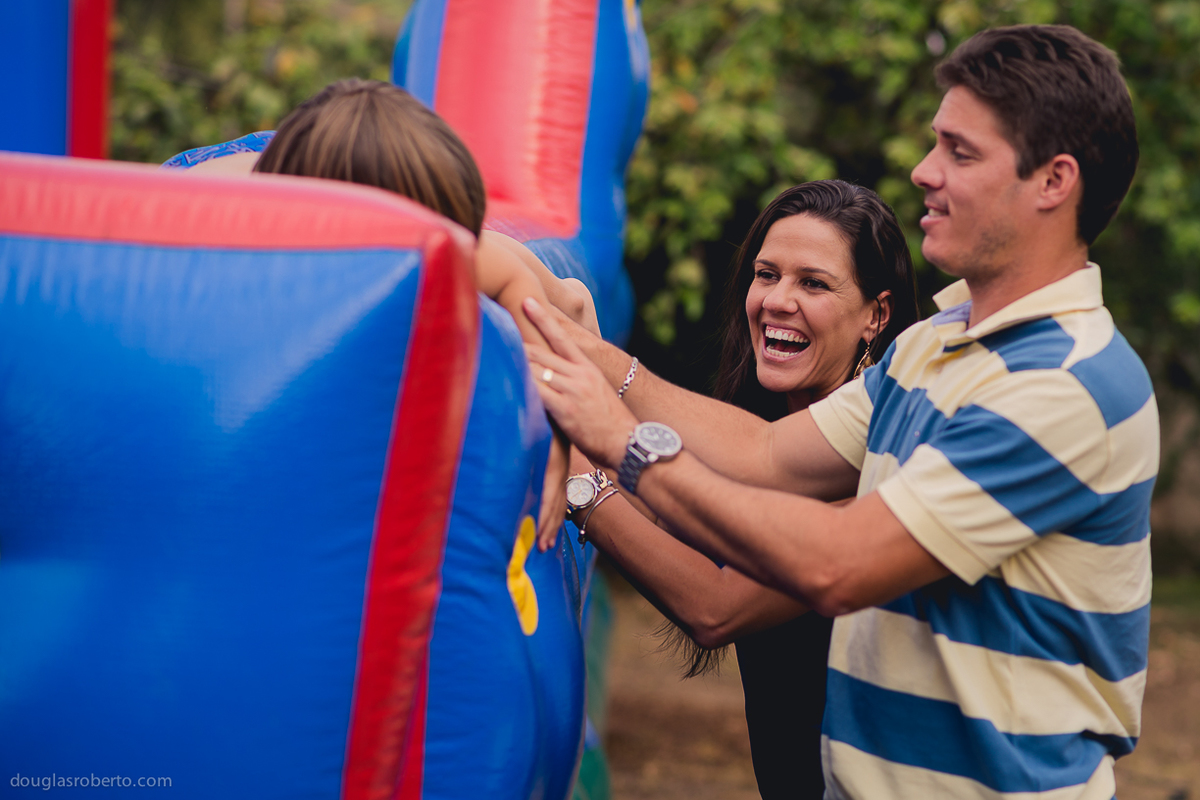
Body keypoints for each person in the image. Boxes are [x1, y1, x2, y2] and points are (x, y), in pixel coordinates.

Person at [525, 24, 1153, 800]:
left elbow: (835, 564)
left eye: (959, 152)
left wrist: (609, 447)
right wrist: (586, 353)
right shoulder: (935, 342)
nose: (924, 171)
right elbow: (764, 453)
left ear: (1054, 181)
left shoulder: (1064, 386)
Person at [570, 179, 918, 799]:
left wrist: (580, 481)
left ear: (877, 315)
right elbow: (670, 511)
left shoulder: (876, 454)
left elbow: (715, 605)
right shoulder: (760, 433)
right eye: (766, 275)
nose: (778, 300)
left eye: (814, 284)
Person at [252, 78, 600, 548]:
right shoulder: (274, 255)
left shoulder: (449, 256)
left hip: (328, 173)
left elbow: (514, 283)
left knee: (561, 298)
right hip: (249, 170)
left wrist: (559, 442)